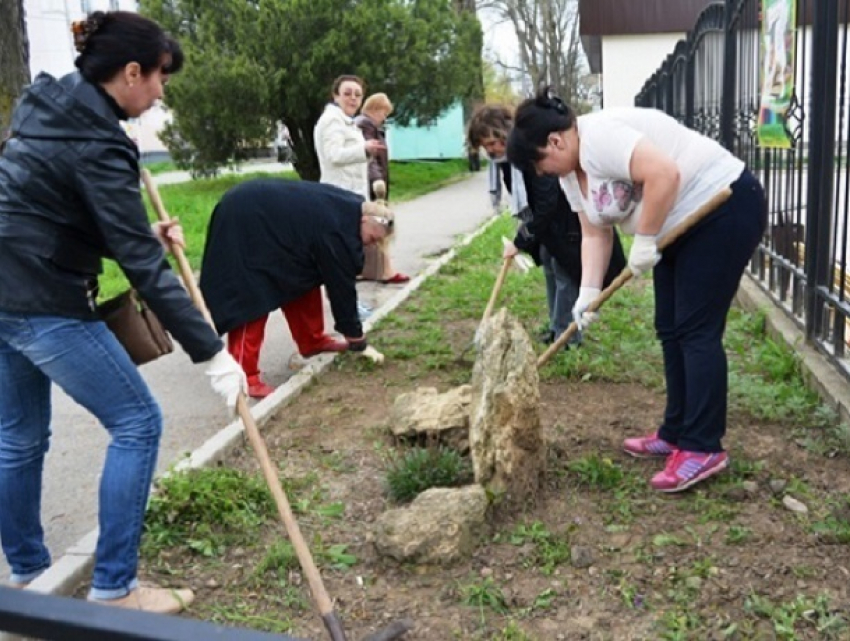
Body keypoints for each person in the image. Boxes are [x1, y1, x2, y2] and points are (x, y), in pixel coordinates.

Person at [0, 11, 246, 613]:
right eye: (159, 78)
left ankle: (30, 574)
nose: (161, 92)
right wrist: (212, 351)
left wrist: (139, 233)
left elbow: (54, 208)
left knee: (17, 439)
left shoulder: (49, 109)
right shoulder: (99, 142)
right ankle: (116, 589)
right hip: (43, 301)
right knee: (138, 422)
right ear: (130, 72)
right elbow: (141, 268)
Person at [507, 87, 766, 493]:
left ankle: (703, 447)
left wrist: (644, 240)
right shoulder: (571, 172)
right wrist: (587, 292)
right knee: (669, 326)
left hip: (721, 207)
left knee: (695, 329)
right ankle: (677, 430)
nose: (542, 173)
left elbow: (665, 173)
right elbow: (594, 232)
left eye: (540, 163)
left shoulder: (599, 138)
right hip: (676, 228)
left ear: (555, 141)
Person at [199, 179, 389, 398]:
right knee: (252, 295)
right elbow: (341, 288)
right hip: (245, 220)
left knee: (302, 277)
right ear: (365, 220)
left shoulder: (350, 213)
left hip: (274, 225)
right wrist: (356, 338)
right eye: (373, 238)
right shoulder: (339, 231)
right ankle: (244, 377)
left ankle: (311, 341)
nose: (371, 245)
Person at [467, 105, 625, 348]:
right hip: (550, 229)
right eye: (485, 147)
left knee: (565, 276)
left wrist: (521, 240)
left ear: (503, 133)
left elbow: (547, 202)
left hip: (568, 223)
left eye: (492, 143)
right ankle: (556, 327)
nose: (490, 150)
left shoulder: (531, 152)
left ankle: (568, 336)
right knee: (550, 267)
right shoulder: (508, 161)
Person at [315, 76, 409, 287]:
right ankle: (348, 294)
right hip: (339, 193)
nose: (353, 98)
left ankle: (374, 276)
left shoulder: (346, 121)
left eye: (358, 95)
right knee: (348, 246)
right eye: (347, 93)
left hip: (351, 193)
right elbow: (333, 155)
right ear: (335, 95)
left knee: (361, 241)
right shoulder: (332, 120)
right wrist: (364, 150)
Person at [355, 93, 409, 284]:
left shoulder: (372, 128)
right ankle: (383, 271)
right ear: (375, 109)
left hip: (374, 183)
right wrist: (377, 180)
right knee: (378, 227)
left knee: (377, 228)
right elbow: (369, 158)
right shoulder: (365, 126)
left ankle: (380, 270)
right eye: (383, 112)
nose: (384, 117)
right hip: (372, 185)